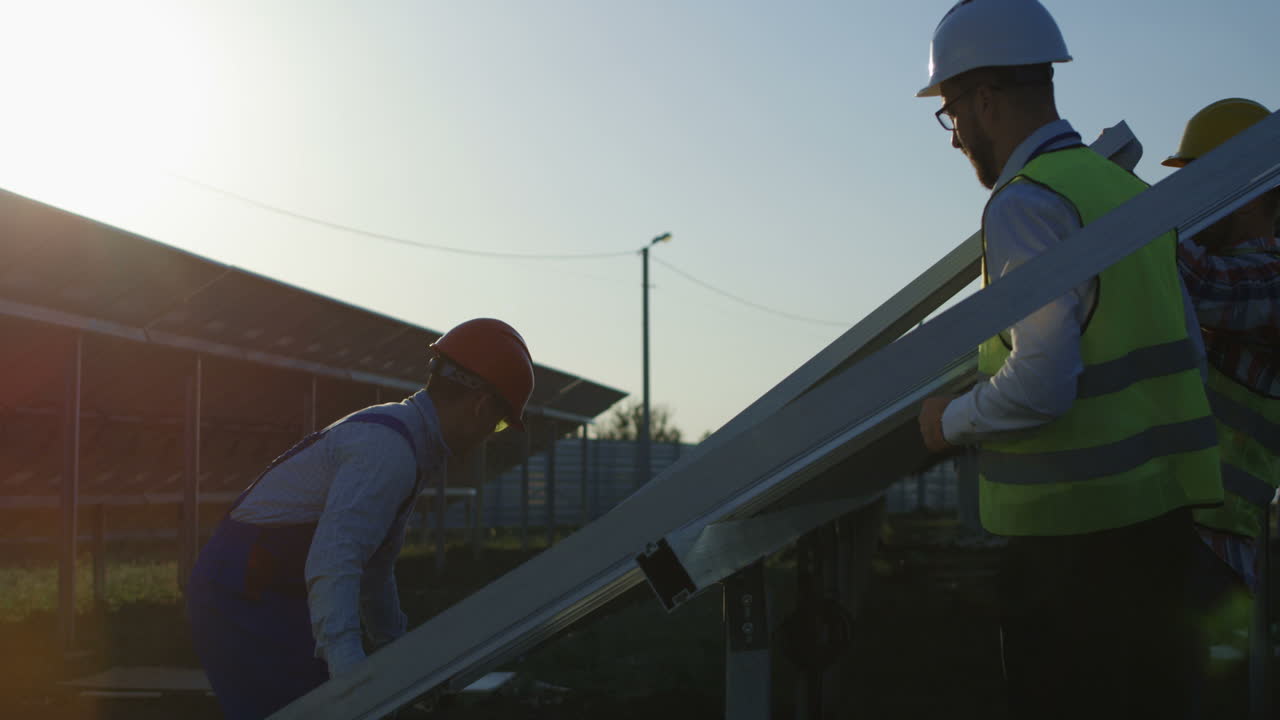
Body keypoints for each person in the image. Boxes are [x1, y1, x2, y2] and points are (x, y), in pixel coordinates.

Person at [912, 1, 1223, 717]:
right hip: (1162, 536)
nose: (956, 138)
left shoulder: (1024, 204)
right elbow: (1191, 356)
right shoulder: (1124, 191)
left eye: (951, 115)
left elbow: (1042, 383)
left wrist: (948, 422)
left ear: (985, 100)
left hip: (1071, 556)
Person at [186, 318, 534, 719]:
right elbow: (335, 560)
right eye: (499, 423)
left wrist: (394, 647)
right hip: (242, 594)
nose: (490, 433)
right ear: (481, 405)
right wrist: (352, 680)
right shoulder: (388, 451)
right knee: (309, 709)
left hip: (270, 590)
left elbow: (375, 567)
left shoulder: (408, 442)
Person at [1165, 97, 1280, 715]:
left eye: (1198, 181)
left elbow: (1205, 284)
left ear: (1248, 184)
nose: (1187, 200)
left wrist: (1122, 213)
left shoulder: (1272, 277)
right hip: (1184, 541)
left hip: (1216, 555)